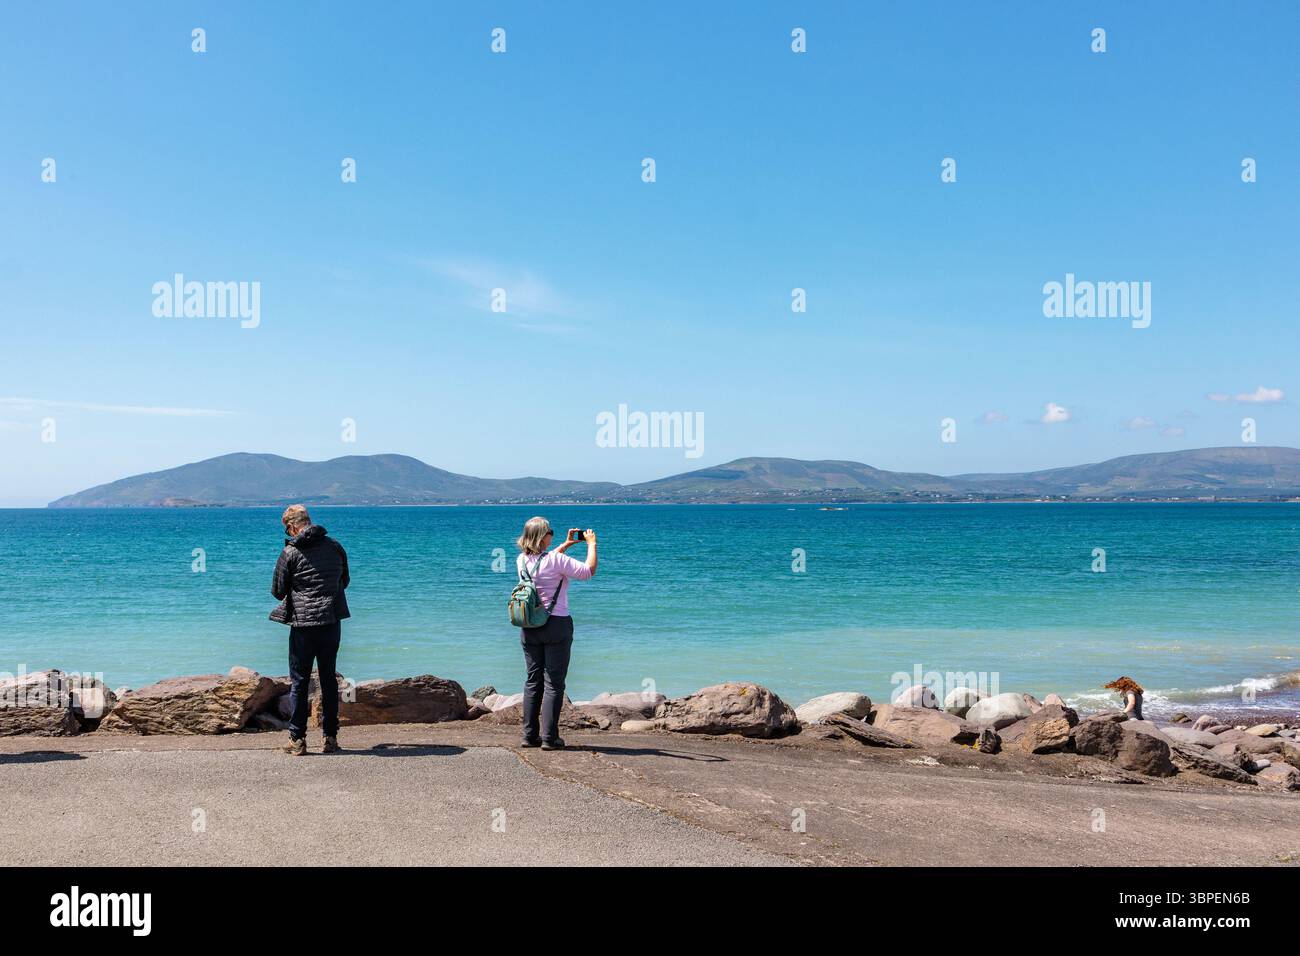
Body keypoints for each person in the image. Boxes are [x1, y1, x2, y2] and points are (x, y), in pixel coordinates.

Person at [270, 504, 350, 756]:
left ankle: (297, 739)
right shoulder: (335, 547)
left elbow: (278, 591)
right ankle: (330, 738)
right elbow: (344, 581)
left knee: (299, 681)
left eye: (286, 527)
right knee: (328, 680)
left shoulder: (290, 552)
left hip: (304, 626)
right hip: (330, 622)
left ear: (292, 526)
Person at [515, 516, 597, 750]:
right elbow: (588, 571)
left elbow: (544, 560)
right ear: (543, 536)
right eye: (550, 530)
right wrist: (591, 543)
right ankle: (550, 738)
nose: (552, 532)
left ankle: (529, 736)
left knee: (533, 681)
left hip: (529, 626)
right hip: (557, 625)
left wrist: (566, 544)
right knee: (554, 683)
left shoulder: (521, 560)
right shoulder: (556, 560)